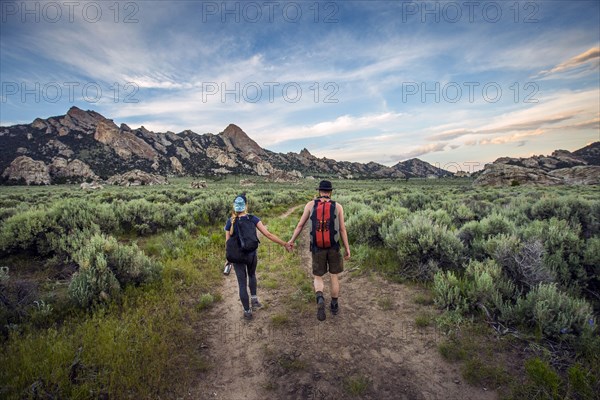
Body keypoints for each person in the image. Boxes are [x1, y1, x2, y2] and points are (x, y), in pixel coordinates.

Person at [288, 180, 350, 321]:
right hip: (334, 247)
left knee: (318, 276)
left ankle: (320, 297)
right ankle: (334, 305)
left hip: (317, 246)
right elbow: (342, 229)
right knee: (334, 276)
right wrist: (347, 248)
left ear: (319, 191)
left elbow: (300, 225)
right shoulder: (338, 206)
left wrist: (291, 241)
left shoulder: (310, 205)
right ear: (330, 192)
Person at [225, 194, 291, 320]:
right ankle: (254, 300)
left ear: (234, 207)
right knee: (252, 275)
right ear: (246, 205)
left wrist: (227, 260)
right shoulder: (253, 218)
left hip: (237, 258)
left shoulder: (230, 222)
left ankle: (247, 311)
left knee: (242, 284)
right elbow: (268, 234)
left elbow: (227, 243)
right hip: (251, 254)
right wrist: (284, 244)